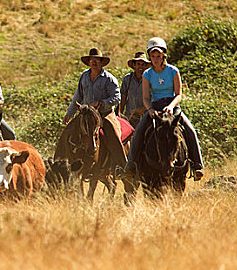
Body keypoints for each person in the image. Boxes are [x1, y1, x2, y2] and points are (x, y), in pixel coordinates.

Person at [124, 37, 204, 180]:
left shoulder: (173, 71)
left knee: (190, 130)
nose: (155, 59)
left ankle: (197, 165)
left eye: (158, 56)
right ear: (150, 57)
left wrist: (171, 106)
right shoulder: (147, 74)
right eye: (153, 56)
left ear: (163, 56)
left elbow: (179, 94)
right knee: (138, 133)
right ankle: (131, 166)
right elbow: (146, 98)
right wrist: (150, 110)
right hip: (155, 108)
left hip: (173, 107)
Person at [63, 47, 127, 170]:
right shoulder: (84, 77)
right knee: (68, 133)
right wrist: (69, 114)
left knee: (113, 134)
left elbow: (117, 97)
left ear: (102, 63)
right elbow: (78, 96)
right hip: (86, 114)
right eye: (92, 60)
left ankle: (123, 166)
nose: (94, 63)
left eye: (97, 60)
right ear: (88, 62)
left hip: (104, 113)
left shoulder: (109, 78)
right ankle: (61, 163)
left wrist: (102, 103)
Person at [118, 52, 150, 125]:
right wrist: (120, 112)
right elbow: (123, 98)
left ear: (146, 66)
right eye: (138, 64)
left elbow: (153, 98)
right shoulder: (127, 79)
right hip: (130, 117)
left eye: (143, 65)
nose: (140, 67)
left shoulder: (150, 80)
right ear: (134, 65)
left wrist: (143, 109)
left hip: (145, 117)